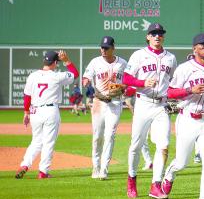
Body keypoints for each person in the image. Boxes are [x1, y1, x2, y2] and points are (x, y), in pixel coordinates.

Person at [161, 33, 204, 199]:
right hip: (187, 119)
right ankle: (169, 175)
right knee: (182, 162)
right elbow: (170, 93)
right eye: (203, 45)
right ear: (194, 48)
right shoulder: (184, 68)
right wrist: (190, 90)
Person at [123, 23, 177, 199]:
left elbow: (174, 82)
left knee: (163, 145)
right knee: (136, 145)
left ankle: (155, 185)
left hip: (161, 106)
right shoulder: (139, 55)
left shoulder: (171, 58)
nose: (157, 36)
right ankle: (131, 179)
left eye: (160, 33)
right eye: (153, 33)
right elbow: (126, 77)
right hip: (143, 104)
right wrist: (142, 83)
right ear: (148, 36)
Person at [15, 50, 79, 179]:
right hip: (50, 111)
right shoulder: (56, 76)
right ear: (55, 62)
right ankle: (43, 171)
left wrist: (26, 112)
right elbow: (75, 74)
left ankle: (25, 164)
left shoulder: (32, 76)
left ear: (44, 61)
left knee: (36, 141)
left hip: (35, 112)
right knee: (48, 142)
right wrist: (66, 60)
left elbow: (27, 96)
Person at [82, 36, 128, 180]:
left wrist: (123, 88)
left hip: (115, 103)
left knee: (110, 136)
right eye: (102, 47)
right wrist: (86, 81)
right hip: (99, 102)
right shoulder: (95, 62)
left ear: (113, 48)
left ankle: (104, 169)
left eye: (106, 47)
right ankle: (95, 167)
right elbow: (86, 77)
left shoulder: (122, 63)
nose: (103, 50)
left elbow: (128, 81)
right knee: (97, 137)